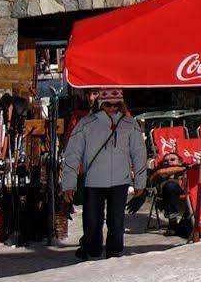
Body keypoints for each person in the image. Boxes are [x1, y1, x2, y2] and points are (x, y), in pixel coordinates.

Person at [58, 88, 147, 260]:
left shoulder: (129, 124)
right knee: (92, 222)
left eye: (116, 105)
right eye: (108, 104)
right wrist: (69, 184)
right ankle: (92, 249)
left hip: (120, 179)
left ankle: (113, 253)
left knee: (116, 222)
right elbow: (72, 154)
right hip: (93, 180)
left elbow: (139, 153)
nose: (112, 108)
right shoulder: (86, 123)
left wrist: (140, 182)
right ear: (101, 104)